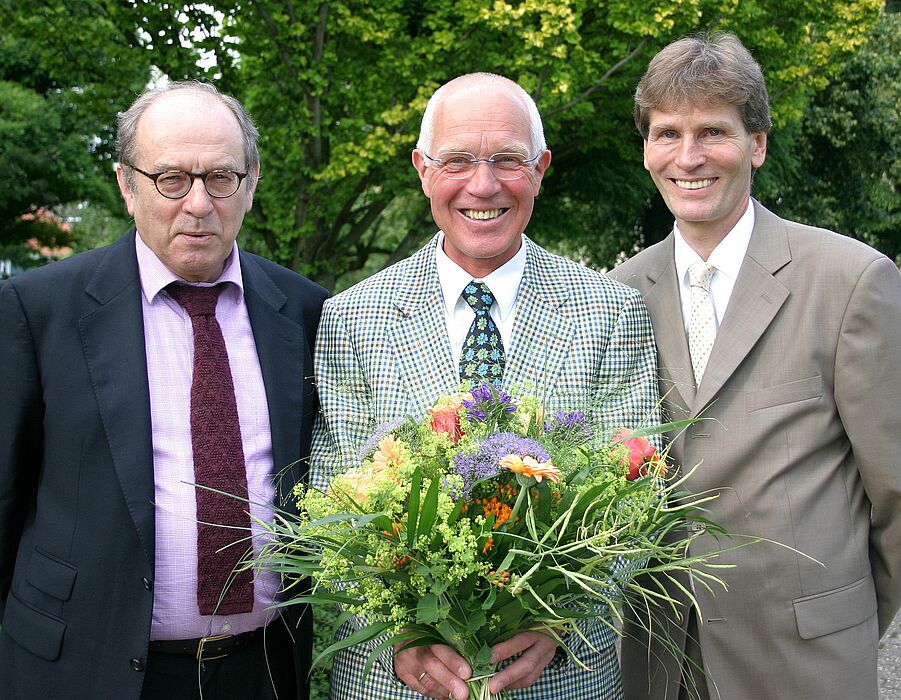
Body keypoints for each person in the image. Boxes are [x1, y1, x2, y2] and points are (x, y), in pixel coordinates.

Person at [310, 72, 660, 700]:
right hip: (395, 683)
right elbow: (328, 504)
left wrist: (560, 621)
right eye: (457, 161)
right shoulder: (352, 318)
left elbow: (641, 499)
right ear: (422, 171)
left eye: (507, 160)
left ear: (541, 169)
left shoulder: (612, 311)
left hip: (562, 680)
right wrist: (401, 632)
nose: (483, 184)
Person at [0, 81, 328, 700]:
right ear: (127, 186)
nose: (198, 204)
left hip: (264, 669)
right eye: (171, 179)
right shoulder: (37, 311)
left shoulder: (307, 311)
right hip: (83, 668)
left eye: (220, 178)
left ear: (251, 183)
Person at [609, 32, 901, 700]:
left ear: (757, 144)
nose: (688, 157)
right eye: (667, 133)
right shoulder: (618, 296)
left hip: (806, 664)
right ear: (647, 149)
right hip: (659, 662)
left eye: (712, 131)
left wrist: (843, 622)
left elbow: (893, 491)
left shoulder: (850, 280)